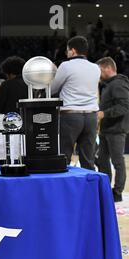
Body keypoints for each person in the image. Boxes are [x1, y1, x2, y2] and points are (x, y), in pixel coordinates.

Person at [51, 36, 101, 170]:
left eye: (67, 51)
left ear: (73, 51)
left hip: (70, 116)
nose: (67, 54)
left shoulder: (66, 66)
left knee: (64, 157)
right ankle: (90, 190)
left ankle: (64, 190)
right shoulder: (95, 67)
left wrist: (54, 73)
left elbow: (52, 89)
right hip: (91, 117)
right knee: (88, 160)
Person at [96, 57, 129, 202]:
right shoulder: (109, 85)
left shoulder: (118, 84)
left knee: (117, 161)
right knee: (102, 160)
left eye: (99, 71)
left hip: (116, 129)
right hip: (107, 129)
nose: (98, 74)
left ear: (107, 68)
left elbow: (124, 106)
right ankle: (105, 188)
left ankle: (118, 192)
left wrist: (105, 113)